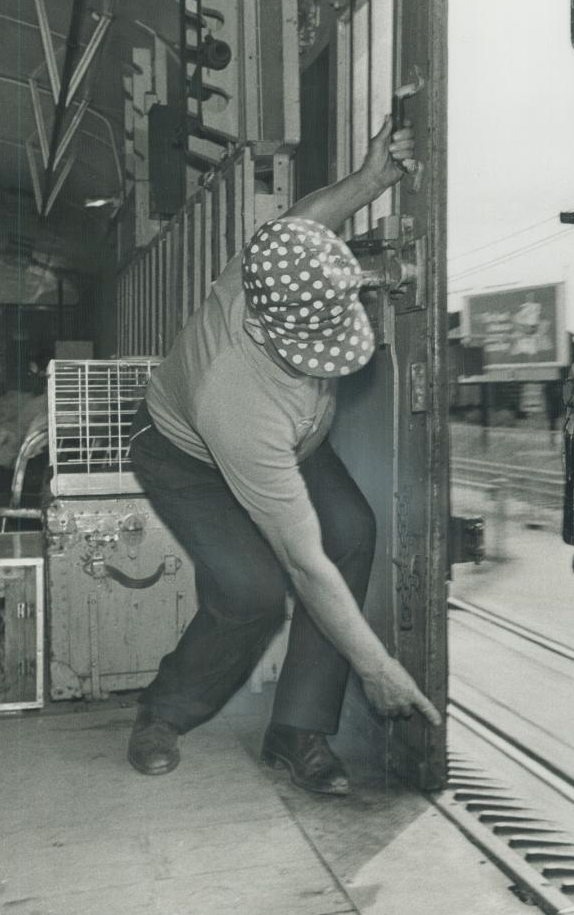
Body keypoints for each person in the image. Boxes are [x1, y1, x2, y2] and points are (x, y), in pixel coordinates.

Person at [127, 117, 440, 795]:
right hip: (187, 458)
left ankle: (296, 730)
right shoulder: (235, 401)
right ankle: (163, 712)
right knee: (254, 591)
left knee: (352, 531)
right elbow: (302, 562)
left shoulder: (273, 265)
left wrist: (370, 179)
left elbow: (301, 220)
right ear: (266, 329)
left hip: (293, 439)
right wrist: (376, 665)